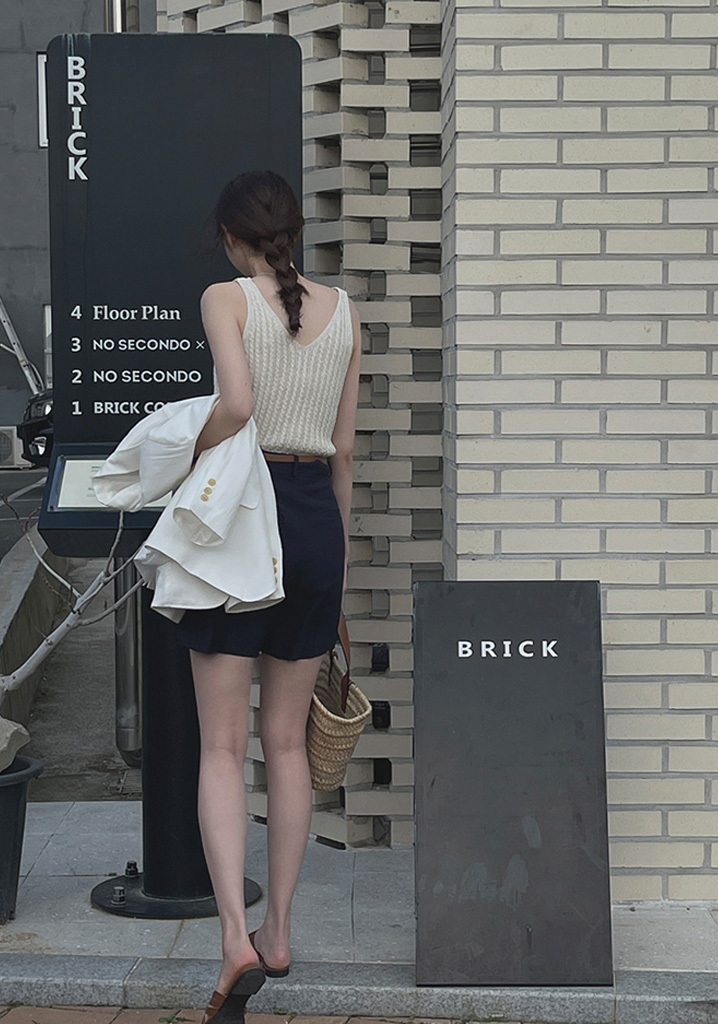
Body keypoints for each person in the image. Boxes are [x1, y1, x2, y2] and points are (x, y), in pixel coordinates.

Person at [174, 170, 361, 1024]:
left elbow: (239, 404)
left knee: (223, 747)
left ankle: (233, 938)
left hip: (245, 518)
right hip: (316, 519)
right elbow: (344, 452)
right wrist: (338, 565)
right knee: (287, 745)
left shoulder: (225, 298)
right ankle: (279, 932)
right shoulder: (346, 312)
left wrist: (182, 448)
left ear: (229, 236)